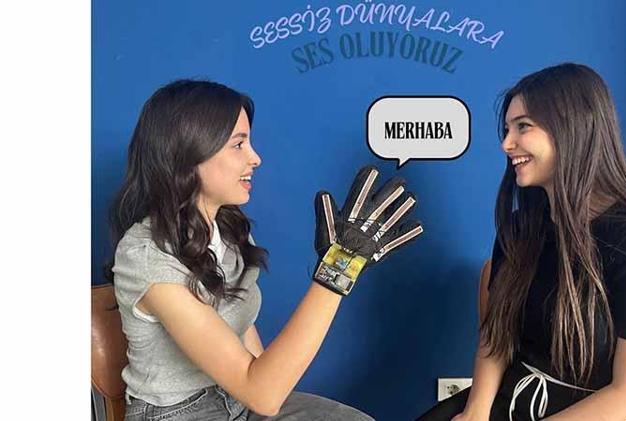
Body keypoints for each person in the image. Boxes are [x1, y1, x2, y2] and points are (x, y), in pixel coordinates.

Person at [103, 79, 423, 420]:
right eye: (238, 145)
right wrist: (337, 270)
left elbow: (256, 371)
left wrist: (264, 394)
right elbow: (262, 393)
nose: (255, 158)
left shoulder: (228, 231)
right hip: (176, 414)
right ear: (187, 153)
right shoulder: (147, 257)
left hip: (237, 400)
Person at [417, 63, 626, 420]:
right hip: (518, 396)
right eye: (507, 129)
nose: (506, 144)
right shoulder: (521, 229)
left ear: (572, 128)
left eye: (523, 127)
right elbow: (495, 337)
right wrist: (476, 411)